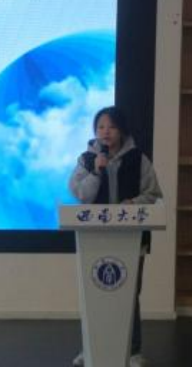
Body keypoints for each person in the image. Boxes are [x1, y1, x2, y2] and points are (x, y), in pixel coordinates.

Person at [68, 106, 163, 367]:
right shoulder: (86, 160)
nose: (106, 132)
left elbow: (153, 193)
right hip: (94, 239)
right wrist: (96, 171)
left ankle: (133, 351)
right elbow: (81, 194)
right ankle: (89, 348)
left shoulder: (138, 158)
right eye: (100, 127)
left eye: (111, 127)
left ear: (121, 130)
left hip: (131, 238)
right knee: (94, 294)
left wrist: (132, 204)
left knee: (129, 295)